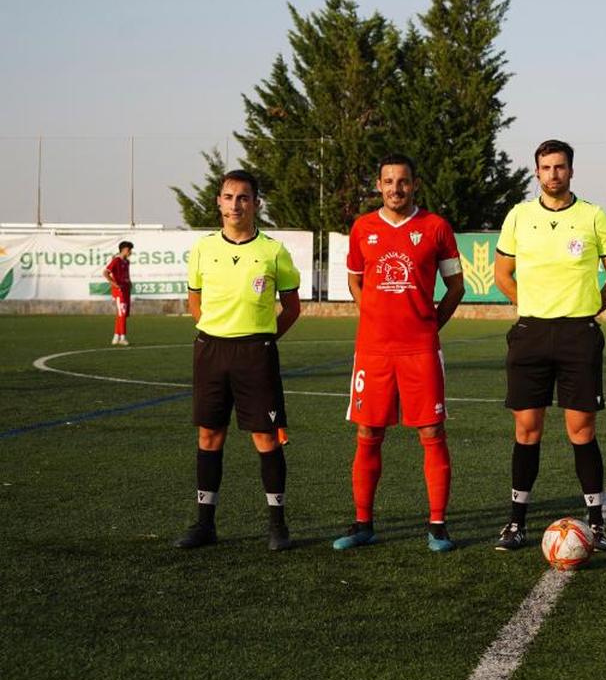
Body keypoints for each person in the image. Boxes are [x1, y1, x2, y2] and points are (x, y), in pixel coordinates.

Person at [493, 139, 606, 551]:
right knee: (526, 429)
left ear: (571, 170)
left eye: (560, 167)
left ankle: (596, 522)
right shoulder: (519, 216)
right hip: (531, 333)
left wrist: (587, 308)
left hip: (578, 335)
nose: (553, 174)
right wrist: (533, 306)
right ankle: (516, 524)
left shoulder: (593, 217)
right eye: (546, 167)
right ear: (537, 172)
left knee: (581, 430)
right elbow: (503, 275)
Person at [333, 155, 465, 553]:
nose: (396, 188)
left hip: (420, 350)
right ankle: (362, 524)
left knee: (432, 433)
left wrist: (427, 324)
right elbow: (356, 283)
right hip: (372, 352)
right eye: (389, 181)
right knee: (368, 434)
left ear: (415, 184)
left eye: (403, 181)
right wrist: (376, 317)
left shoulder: (436, 227)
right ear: (378, 185)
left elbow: (455, 287)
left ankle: (438, 525)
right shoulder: (362, 228)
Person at [175, 169, 302, 551]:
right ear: (218, 202)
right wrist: (217, 330)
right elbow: (195, 301)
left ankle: (277, 525)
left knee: (265, 438)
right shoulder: (203, 248)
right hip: (211, 351)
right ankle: (204, 524)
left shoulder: (273, 251)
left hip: (255, 354)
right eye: (228, 197)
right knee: (209, 435)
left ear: (256, 204)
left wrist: (261, 337)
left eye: (243, 198)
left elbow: (293, 308)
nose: (235, 205)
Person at [103, 240, 133, 346]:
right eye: (129, 250)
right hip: (119, 291)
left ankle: (116, 336)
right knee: (122, 314)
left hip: (126, 290)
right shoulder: (116, 260)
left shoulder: (127, 262)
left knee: (122, 314)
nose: (131, 252)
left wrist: (130, 282)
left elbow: (126, 274)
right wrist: (114, 284)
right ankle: (122, 337)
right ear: (124, 250)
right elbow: (105, 273)